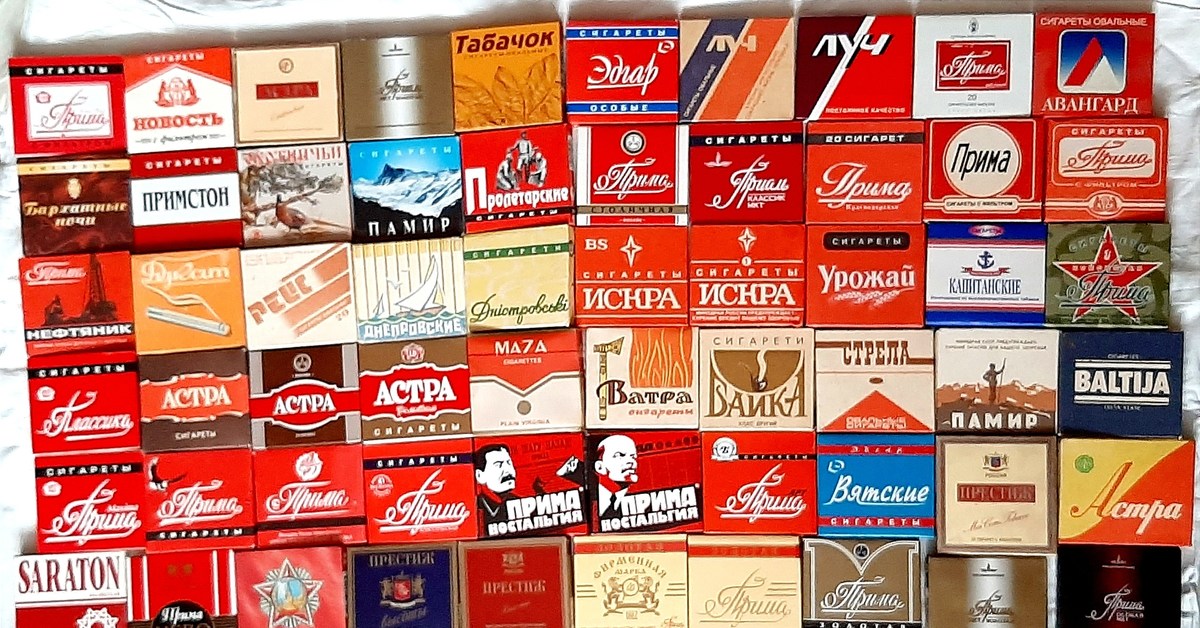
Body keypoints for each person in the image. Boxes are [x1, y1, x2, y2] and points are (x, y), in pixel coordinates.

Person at [593, 434, 639, 519]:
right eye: (619, 456)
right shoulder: (589, 497)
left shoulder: (639, 501)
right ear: (600, 467)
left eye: (633, 457)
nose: (631, 461)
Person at [474, 444, 517, 525]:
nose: (507, 470)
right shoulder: (475, 505)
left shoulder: (517, 501)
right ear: (480, 476)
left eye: (509, 463)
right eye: (498, 465)